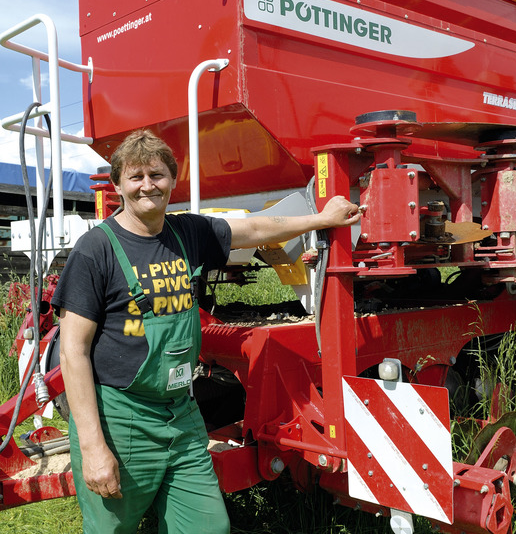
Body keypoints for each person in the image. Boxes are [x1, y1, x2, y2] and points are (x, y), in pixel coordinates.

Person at [52, 129, 360, 533]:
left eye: (157, 175)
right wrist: (93, 447)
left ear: (172, 179)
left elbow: (252, 230)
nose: (148, 185)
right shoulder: (96, 249)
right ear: (118, 184)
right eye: (136, 176)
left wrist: (320, 219)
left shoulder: (187, 233)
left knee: (208, 526)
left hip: (181, 414)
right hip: (122, 418)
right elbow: (73, 350)